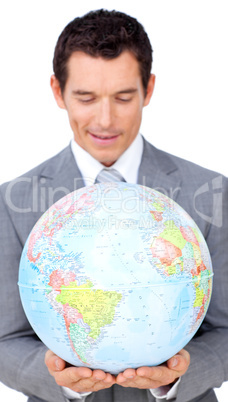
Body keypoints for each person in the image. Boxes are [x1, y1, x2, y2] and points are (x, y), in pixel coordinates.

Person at [0, 9, 227, 402]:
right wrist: (62, 380)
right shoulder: (12, 202)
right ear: (57, 91)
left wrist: (172, 379)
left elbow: (226, 330)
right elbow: (6, 339)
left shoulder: (210, 192)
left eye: (124, 97)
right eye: (85, 97)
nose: (105, 119)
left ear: (148, 89)